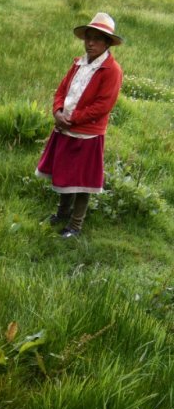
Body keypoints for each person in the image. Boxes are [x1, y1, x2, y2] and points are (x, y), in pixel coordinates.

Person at [36, 12, 124, 239]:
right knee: (64, 174)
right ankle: (62, 213)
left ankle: (75, 224)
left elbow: (103, 105)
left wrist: (72, 118)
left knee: (83, 181)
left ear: (107, 43)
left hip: (87, 134)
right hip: (65, 128)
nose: (91, 43)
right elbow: (62, 90)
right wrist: (57, 111)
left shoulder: (112, 71)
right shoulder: (78, 63)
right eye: (88, 38)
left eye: (97, 39)